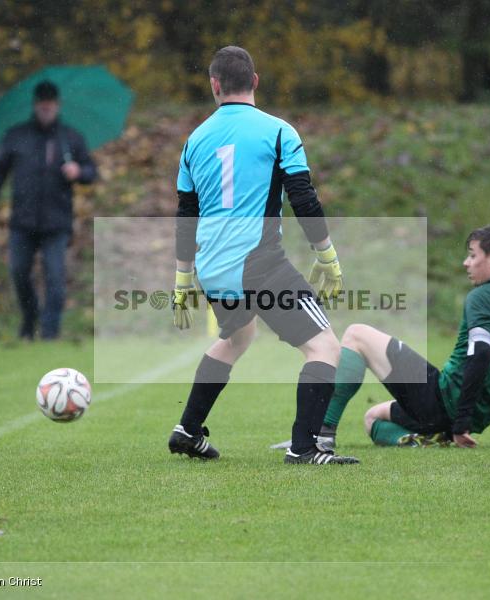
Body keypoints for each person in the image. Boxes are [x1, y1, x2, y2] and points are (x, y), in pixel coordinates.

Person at [166, 46, 358, 465]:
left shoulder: (194, 140)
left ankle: (188, 429)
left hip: (212, 268)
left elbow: (186, 214)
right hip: (259, 264)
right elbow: (302, 196)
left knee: (237, 336)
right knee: (325, 348)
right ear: (255, 82)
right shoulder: (277, 131)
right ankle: (304, 448)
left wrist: (183, 278)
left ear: (214, 86)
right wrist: (326, 255)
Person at [309, 224, 490, 450]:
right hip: (474, 416)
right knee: (372, 417)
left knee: (357, 334)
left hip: (444, 402)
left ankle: (320, 434)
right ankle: (422, 440)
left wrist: (459, 422)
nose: (466, 262)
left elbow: (481, 354)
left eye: (473, 255)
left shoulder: (484, 297)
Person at [0, 80, 97, 340]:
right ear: (35, 105)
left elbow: (91, 171)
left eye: (50, 104)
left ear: (57, 105)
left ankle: (49, 332)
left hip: (57, 222)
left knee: (55, 278)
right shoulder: (16, 136)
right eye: (42, 104)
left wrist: (78, 171)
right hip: (22, 221)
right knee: (19, 272)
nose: (46, 108)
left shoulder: (70, 137)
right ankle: (29, 319)